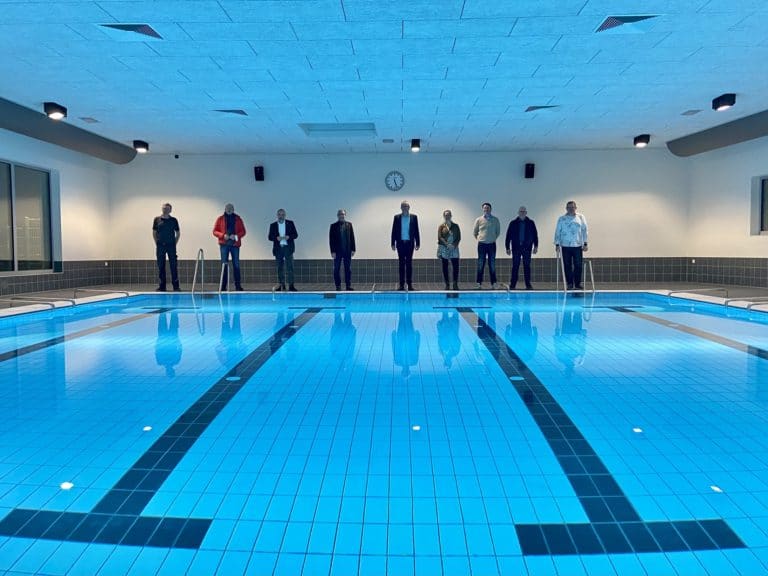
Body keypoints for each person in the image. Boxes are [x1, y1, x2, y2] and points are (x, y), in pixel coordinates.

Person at [554, 200, 588, 290]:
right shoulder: (561, 219)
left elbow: (584, 230)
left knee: (578, 265)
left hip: (577, 246)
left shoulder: (581, 217)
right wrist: (557, 244)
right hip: (565, 246)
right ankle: (569, 283)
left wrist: (585, 243)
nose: (571, 209)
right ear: (566, 208)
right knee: (567, 265)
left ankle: (577, 283)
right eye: (569, 207)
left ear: (575, 208)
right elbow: (558, 231)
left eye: (572, 207)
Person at [212, 203, 247, 291]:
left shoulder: (238, 219)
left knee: (236, 265)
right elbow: (215, 231)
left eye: (230, 208)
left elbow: (243, 231)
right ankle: (223, 286)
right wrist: (223, 235)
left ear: (233, 209)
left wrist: (236, 236)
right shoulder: (220, 219)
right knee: (224, 265)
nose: (229, 209)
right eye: (227, 208)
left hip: (235, 245)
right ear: (225, 209)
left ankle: (238, 286)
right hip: (224, 245)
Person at [505, 206, 539, 290]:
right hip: (516, 248)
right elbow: (508, 235)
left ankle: (528, 284)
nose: (522, 213)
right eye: (521, 211)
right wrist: (507, 247)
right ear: (518, 213)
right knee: (515, 266)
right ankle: (513, 284)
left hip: (527, 248)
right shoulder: (513, 223)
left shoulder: (531, 223)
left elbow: (535, 235)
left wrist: (536, 246)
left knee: (527, 266)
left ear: (526, 213)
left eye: (524, 211)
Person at [390, 200, 420, 290]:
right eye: (403, 206)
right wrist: (393, 243)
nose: (405, 208)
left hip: (410, 244)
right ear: (401, 208)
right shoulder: (397, 217)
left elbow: (416, 230)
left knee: (409, 264)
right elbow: (394, 230)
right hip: (400, 244)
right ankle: (402, 285)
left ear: (409, 207)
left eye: (406, 206)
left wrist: (418, 242)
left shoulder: (414, 217)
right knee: (401, 265)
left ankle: (409, 284)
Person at [152, 202, 181, 292]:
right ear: (162, 209)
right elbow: (154, 232)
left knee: (173, 265)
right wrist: (157, 242)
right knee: (161, 266)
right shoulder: (157, 219)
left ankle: (176, 286)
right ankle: (162, 286)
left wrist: (174, 243)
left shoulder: (174, 220)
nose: (165, 210)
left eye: (167, 209)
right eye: (164, 208)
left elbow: (178, 233)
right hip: (160, 246)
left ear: (170, 210)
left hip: (171, 246)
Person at [268, 208, 299, 291]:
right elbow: (269, 237)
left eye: (282, 215)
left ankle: (291, 286)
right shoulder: (273, 225)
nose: (281, 216)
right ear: (277, 215)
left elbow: (295, 235)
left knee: (290, 267)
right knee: (279, 268)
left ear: (285, 215)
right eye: (279, 215)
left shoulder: (290, 223)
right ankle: (281, 285)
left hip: (288, 248)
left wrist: (289, 237)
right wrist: (276, 238)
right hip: (278, 249)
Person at [473, 202, 501, 289]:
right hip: (482, 245)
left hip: (492, 245)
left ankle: (493, 283)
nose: (486, 209)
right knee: (480, 264)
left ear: (490, 209)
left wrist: (491, 239)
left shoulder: (495, 220)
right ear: (483, 209)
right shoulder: (478, 220)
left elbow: (498, 232)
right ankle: (478, 283)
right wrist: (481, 239)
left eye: (488, 208)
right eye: (485, 208)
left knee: (492, 264)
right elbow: (475, 232)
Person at [329, 209, 356, 291]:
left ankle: (348, 286)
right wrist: (332, 251)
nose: (341, 215)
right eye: (340, 214)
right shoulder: (333, 226)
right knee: (336, 269)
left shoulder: (349, 225)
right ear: (338, 216)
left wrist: (353, 249)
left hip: (347, 250)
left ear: (345, 215)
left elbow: (352, 237)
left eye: (343, 214)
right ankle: (338, 286)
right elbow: (331, 240)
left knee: (348, 269)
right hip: (337, 252)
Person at [437, 209, 461, 290]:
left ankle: (455, 283)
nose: (447, 216)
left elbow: (458, 237)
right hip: (445, 248)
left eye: (448, 215)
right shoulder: (441, 226)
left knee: (455, 266)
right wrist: (447, 244)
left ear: (451, 216)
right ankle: (447, 284)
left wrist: (453, 245)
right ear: (444, 216)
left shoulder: (456, 226)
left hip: (454, 248)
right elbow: (440, 237)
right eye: (446, 215)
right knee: (445, 266)